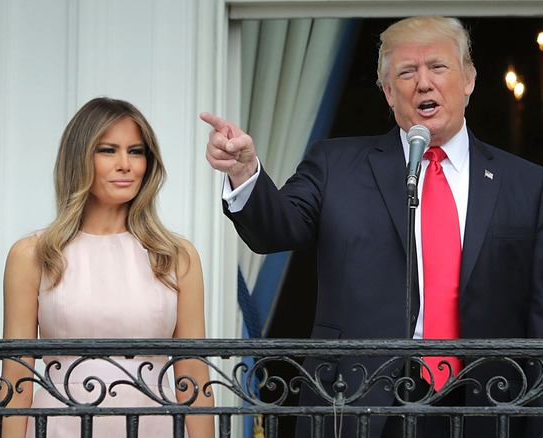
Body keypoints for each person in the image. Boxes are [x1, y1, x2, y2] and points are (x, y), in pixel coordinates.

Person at [202, 16, 543, 438]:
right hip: (357, 400)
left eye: (437, 67)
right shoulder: (335, 164)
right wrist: (245, 172)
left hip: (483, 404)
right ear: (387, 91)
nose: (423, 83)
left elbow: (536, 311)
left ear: (469, 79)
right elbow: (276, 229)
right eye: (406, 72)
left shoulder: (527, 183)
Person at [1, 97, 214, 437]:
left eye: (136, 151)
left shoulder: (176, 255)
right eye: (107, 150)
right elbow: (16, 378)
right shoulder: (33, 254)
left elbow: (194, 378)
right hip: (59, 428)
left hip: (155, 427)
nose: (125, 164)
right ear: (79, 159)